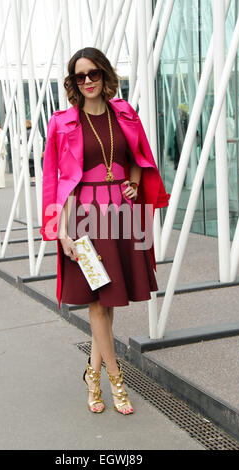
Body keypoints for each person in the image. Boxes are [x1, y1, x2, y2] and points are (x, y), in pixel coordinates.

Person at [41, 47, 170, 415]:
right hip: (85, 219)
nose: (87, 82)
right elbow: (54, 181)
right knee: (97, 301)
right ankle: (117, 381)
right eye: (79, 77)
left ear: (105, 75)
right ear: (73, 83)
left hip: (121, 215)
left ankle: (92, 377)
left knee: (108, 302)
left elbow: (138, 158)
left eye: (93, 74)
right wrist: (60, 231)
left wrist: (131, 183)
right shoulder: (61, 123)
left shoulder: (125, 113)